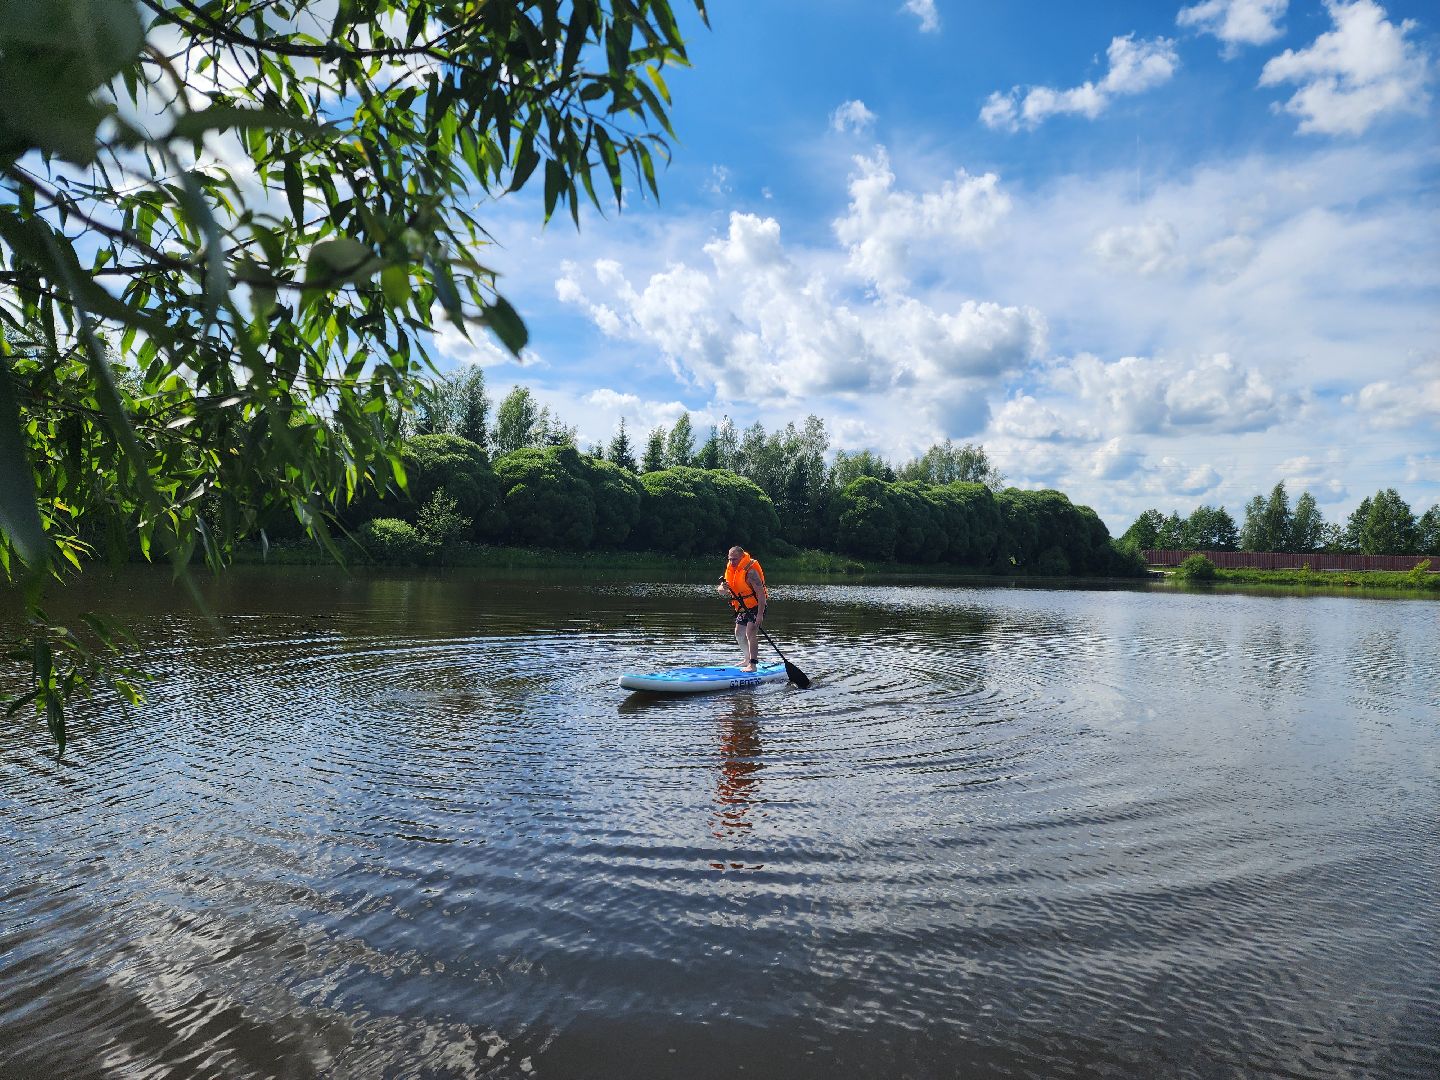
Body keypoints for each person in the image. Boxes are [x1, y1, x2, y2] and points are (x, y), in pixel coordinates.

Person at [716, 545, 767, 672]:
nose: (732, 562)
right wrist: (723, 587)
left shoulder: (750, 572)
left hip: (756, 606)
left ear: (742, 557)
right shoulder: (731, 570)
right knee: (739, 634)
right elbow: (721, 591)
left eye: (735, 559)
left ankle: (753, 665)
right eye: (730, 559)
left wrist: (760, 615)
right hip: (743, 607)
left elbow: (761, 595)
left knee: (750, 632)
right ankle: (747, 659)